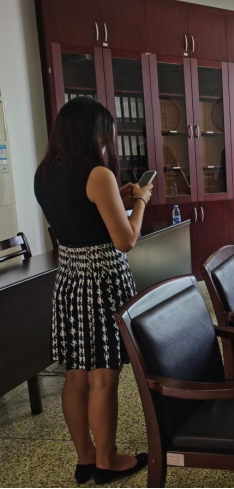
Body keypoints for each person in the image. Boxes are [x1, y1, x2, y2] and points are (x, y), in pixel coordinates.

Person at [33, 97, 151, 485]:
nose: (107, 142)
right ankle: (107, 460)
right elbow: (126, 240)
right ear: (92, 132)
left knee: (76, 374)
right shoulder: (97, 174)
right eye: (106, 134)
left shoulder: (43, 173)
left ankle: (85, 458)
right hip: (100, 282)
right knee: (103, 376)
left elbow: (79, 215)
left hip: (69, 281)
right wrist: (141, 202)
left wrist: (120, 197)